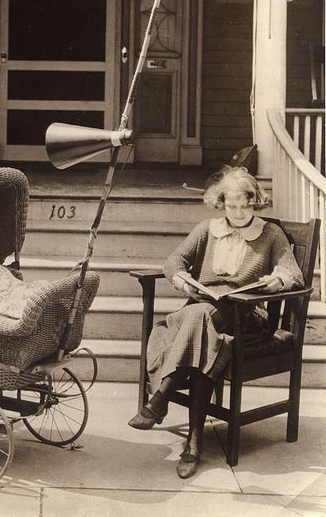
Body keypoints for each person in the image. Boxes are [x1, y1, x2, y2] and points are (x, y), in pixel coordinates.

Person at [128, 166, 304, 479]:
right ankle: (193, 444)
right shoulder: (207, 229)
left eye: (245, 205)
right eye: (231, 205)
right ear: (221, 203)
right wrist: (185, 283)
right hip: (205, 313)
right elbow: (174, 263)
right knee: (205, 332)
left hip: (244, 316)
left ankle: (160, 399)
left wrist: (276, 282)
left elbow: (293, 273)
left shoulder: (270, 234)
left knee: (198, 318)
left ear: (255, 201)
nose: (238, 212)